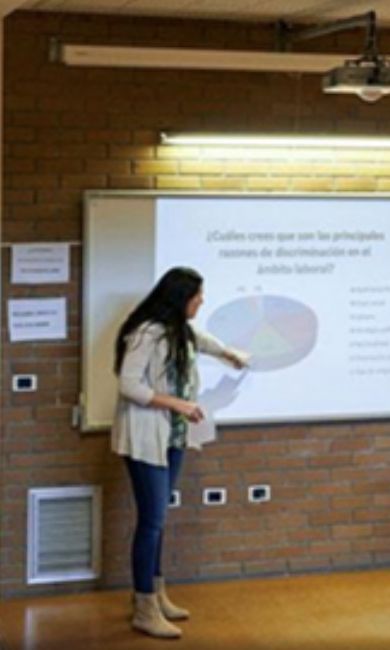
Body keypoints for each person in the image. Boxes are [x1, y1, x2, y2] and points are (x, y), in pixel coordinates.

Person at [112, 266, 248, 639]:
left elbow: (203, 340)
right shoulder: (147, 333)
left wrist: (229, 354)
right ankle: (144, 608)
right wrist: (178, 404)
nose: (202, 301)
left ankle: (156, 594)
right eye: (197, 295)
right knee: (152, 521)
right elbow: (128, 385)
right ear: (179, 297)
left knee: (159, 519)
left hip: (171, 437)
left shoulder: (179, 329)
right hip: (145, 437)